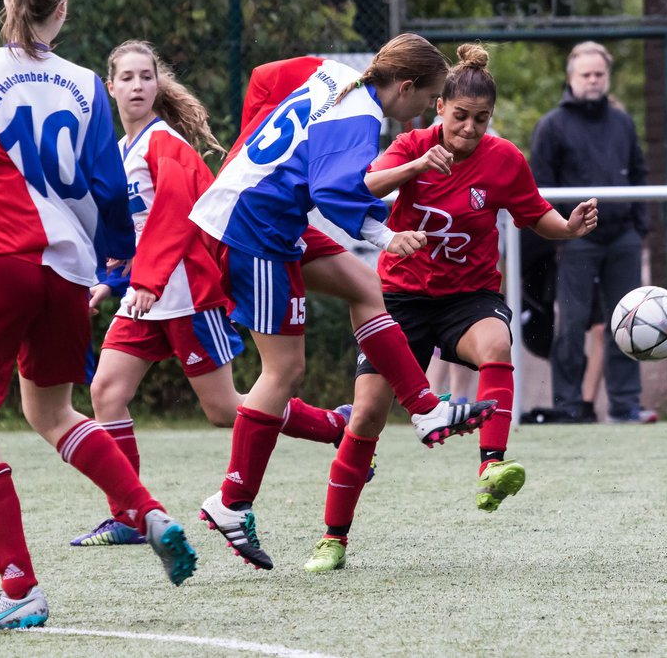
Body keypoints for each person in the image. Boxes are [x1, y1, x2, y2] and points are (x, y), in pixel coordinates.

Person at [0, 0, 197, 631]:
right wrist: (115, 257)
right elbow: (109, 188)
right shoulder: (87, 83)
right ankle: (146, 510)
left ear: (9, 3)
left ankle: (19, 587)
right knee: (53, 413)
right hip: (67, 273)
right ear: (62, 12)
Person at [189, 34, 497, 571]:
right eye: (425, 101)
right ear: (404, 86)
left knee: (364, 288)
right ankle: (232, 501)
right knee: (283, 371)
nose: (422, 112)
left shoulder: (332, 72)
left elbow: (264, 74)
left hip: (268, 214)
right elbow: (333, 191)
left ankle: (425, 410)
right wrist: (385, 236)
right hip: (251, 229)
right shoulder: (359, 120)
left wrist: (252, 151)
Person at [302, 43, 599, 573]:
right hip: (401, 298)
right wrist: (416, 165)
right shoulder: (410, 144)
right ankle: (332, 538)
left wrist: (568, 227)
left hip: (469, 297)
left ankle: (492, 467)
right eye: (460, 116)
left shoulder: (504, 159)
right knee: (368, 413)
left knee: (496, 344)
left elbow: (536, 216)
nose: (469, 128)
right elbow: (361, 186)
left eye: (481, 119)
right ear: (438, 107)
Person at [69, 40, 353, 548]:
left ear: (158, 85)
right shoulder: (118, 153)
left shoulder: (165, 145)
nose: (136, 85)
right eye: (126, 77)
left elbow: (174, 218)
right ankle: (130, 515)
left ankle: (335, 425)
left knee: (226, 411)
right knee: (106, 391)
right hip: (145, 299)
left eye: (145, 76)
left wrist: (146, 283)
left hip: (188, 297)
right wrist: (108, 282)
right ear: (109, 86)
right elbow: (130, 234)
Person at [530, 41, 654, 424]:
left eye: (599, 73)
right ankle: (569, 406)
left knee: (628, 323)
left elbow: (638, 173)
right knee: (570, 324)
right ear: (572, 78)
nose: (593, 80)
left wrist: (639, 225)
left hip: (622, 238)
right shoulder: (552, 126)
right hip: (576, 241)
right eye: (586, 74)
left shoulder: (622, 122)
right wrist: (558, 233)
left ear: (607, 76)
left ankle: (625, 405)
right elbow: (539, 188)